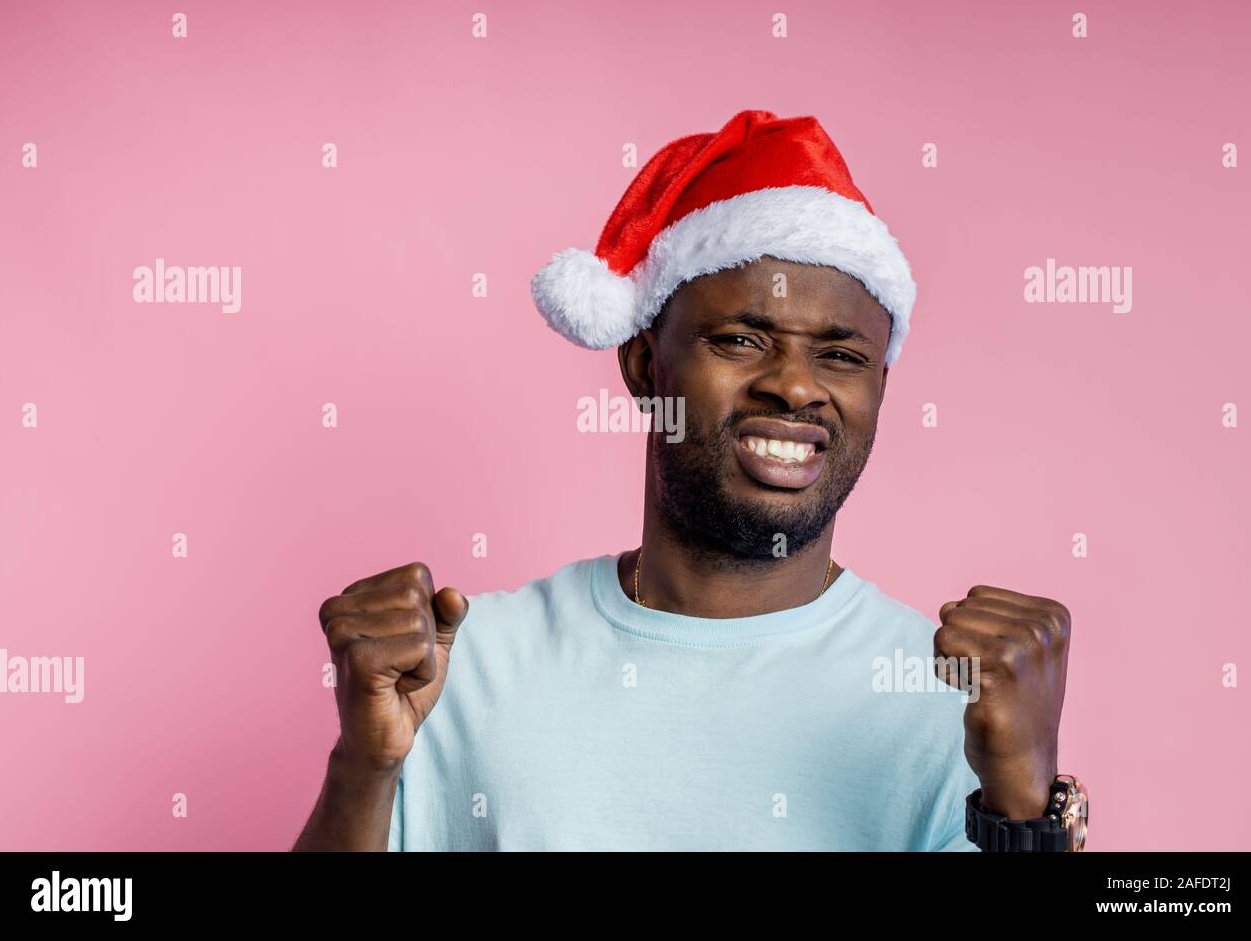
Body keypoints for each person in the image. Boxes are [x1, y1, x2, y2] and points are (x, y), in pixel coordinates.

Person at [293, 109, 1076, 852]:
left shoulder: (954, 698)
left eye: (841, 356)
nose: (796, 387)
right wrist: (364, 764)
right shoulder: (462, 665)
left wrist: (1024, 807)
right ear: (644, 364)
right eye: (740, 338)